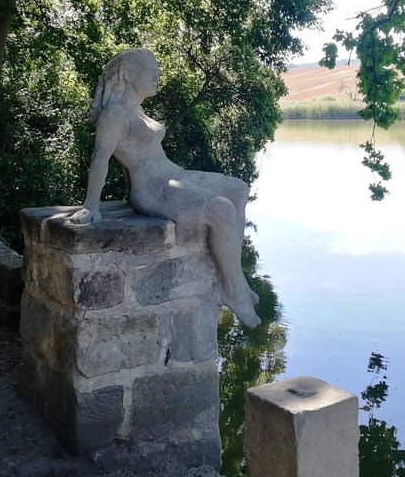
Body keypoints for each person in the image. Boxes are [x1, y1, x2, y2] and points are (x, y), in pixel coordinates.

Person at [70, 49, 261, 328]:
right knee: (221, 209)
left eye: (157, 70)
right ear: (128, 72)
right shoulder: (114, 115)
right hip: (154, 188)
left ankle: (237, 280)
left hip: (175, 174)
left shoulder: (137, 110)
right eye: (150, 70)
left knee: (238, 188)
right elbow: (100, 158)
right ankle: (232, 291)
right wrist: (91, 205)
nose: (156, 75)